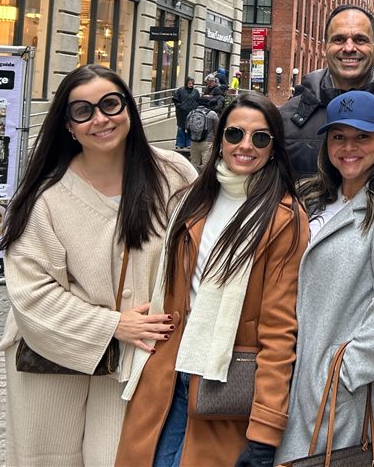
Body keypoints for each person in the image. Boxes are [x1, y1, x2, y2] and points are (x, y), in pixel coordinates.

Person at [0, 64, 196, 467]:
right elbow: (30, 292)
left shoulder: (175, 175)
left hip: (142, 358)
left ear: (129, 108)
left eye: (110, 104)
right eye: (83, 111)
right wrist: (113, 325)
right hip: (51, 360)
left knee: (120, 457)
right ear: (68, 125)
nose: (100, 119)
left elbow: (199, 255)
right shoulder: (45, 197)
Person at [115, 92, 307, 467]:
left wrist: (265, 432)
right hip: (167, 375)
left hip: (225, 384)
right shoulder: (192, 200)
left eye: (261, 138)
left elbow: (279, 330)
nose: (246, 146)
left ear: (274, 148)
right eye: (235, 134)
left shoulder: (285, 218)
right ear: (219, 139)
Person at [275, 91, 374, 463]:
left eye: (362, 137)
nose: (348, 147)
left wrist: (348, 373)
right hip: (299, 378)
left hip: (345, 392)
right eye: (338, 136)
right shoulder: (315, 200)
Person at [279, 5, 374, 178]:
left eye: (360, 40)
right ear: (324, 49)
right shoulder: (288, 117)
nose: (349, 48)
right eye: (339, 39)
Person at [172, 78, 201, 149]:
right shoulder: (180, 90)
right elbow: (175, 99)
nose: (191, 85)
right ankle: (179, 144)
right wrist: (179, 106)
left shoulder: (196, 92)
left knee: (190, 128)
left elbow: (198, 101)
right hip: (181, 113)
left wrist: (196, 108)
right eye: (189, 83)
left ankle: (189, 144)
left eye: (192, 83)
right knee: (181, 128)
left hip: (192, 113)